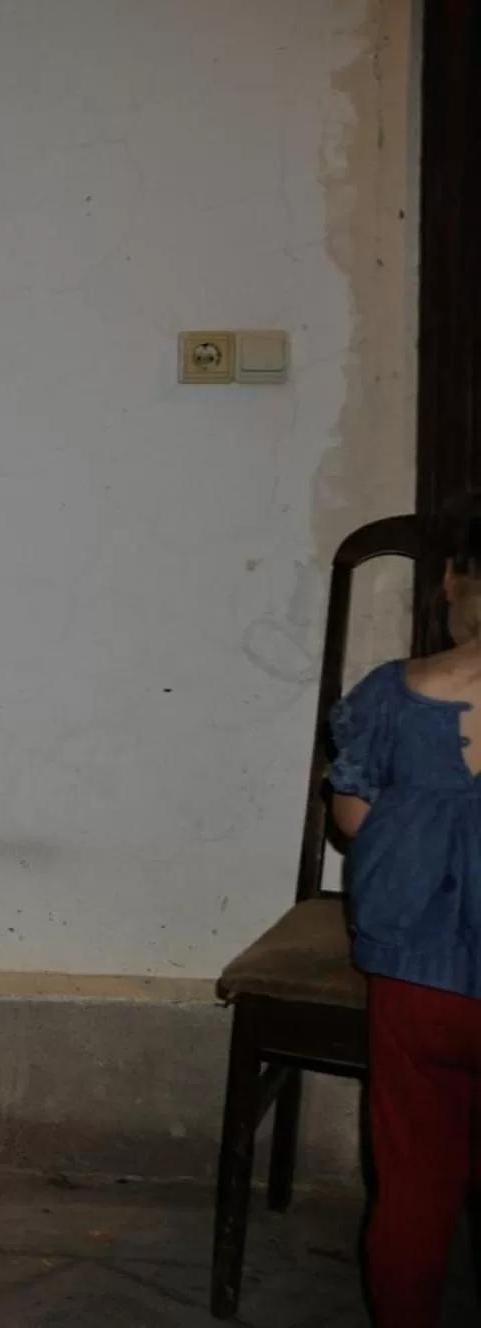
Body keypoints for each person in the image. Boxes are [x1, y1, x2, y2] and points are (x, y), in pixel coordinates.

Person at [329, 495, 481, 1328]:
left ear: (454, 582)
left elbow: (353, 820)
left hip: (416, 977)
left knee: (415, 1183)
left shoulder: (394, 693)